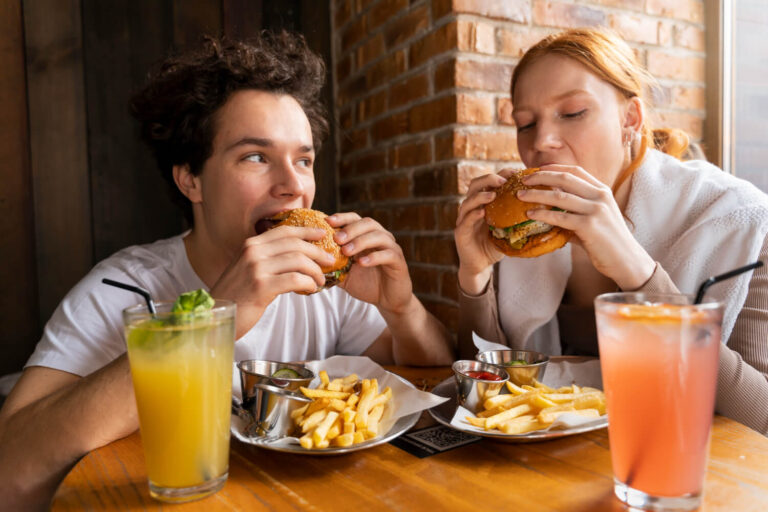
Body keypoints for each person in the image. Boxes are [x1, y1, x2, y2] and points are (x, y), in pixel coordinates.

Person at [0, 31, 453, 509]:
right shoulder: (122, 288)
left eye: (303, 160)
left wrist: (399, 307)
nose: (293, 186)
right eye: (256, 156)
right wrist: (217, 316)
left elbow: (430, 370)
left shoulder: (324, 283)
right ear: (190, 179)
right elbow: (10, 467)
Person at [455, 28, 768, 435]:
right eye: (526, 124)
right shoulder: (522, 231)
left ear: (629, 119)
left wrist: (638, 272)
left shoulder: (741, 219)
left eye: (572, 113)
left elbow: (760, 418)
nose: (542, 142)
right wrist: (474, 279)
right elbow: (485, 396)